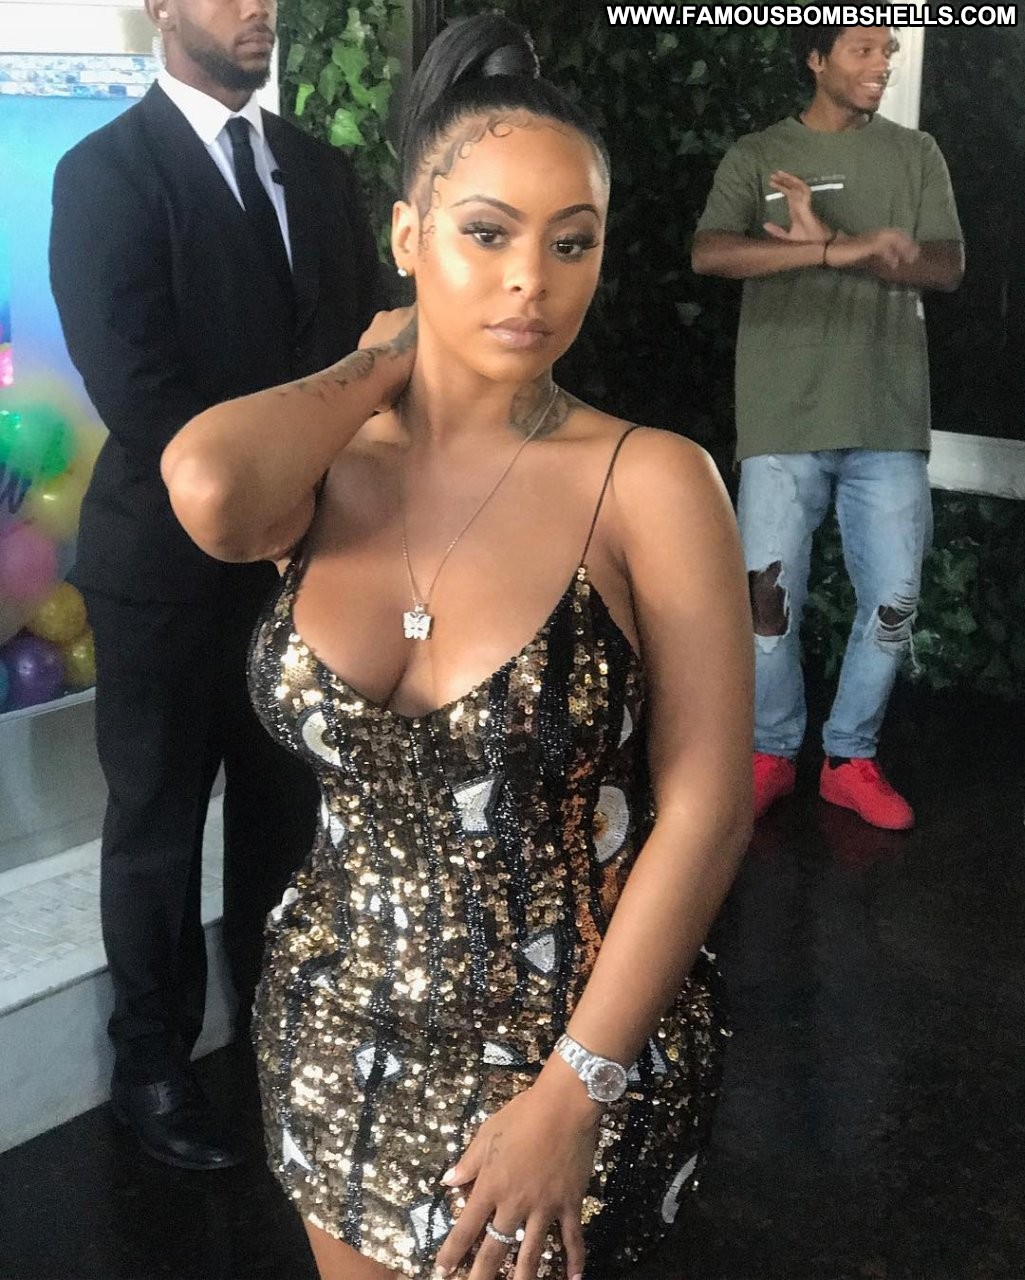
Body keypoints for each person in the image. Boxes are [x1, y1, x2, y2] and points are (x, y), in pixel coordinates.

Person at [163, 13, 752, 1278]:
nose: (531, 279)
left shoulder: (650, 479)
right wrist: (377, 367)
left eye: (571, 242)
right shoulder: (322, 475)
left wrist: (577, 1086)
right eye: (485, 232)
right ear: (406, 235)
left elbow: (707, 807)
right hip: (333, 1020)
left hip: (572, 1044)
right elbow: (207, 483)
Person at [48, 0, 380, 1170]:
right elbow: (140, 392)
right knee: (155, 827)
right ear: (159, 6)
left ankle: (273, 1035)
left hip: (308, 563)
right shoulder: (106, 174)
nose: (258, 7)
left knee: (285, 815)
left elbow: (356, 360)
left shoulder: (315, 168)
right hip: (164, 571)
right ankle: (150, 1064)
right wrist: (273, 506)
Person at [692, 24, 963, 832]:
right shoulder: (758, 154)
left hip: (888, 415)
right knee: (764, 604)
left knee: (894, 600)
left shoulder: (915, 154)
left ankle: (849, 757)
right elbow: (711, 252)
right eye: (862, 50)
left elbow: (945, 266)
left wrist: (852, 248)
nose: (882, 65)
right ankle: (770, 750)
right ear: (814, 59)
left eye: (888, 52)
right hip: (781, 415)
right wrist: (824, 254)